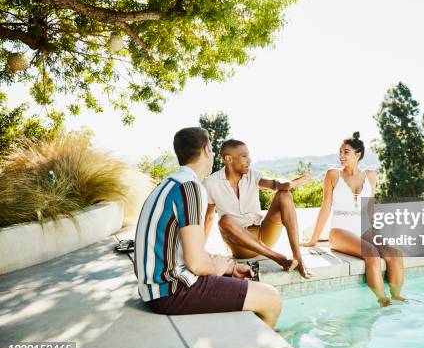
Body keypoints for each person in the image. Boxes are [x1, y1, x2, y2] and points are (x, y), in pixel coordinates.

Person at [134, 127, 282, 328]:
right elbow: (196, 264)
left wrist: (230, 266)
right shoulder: (191, 188)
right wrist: (216, 269)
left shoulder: (168, 185)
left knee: (244, 284)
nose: (213, 155)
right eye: (211, 150)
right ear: (205, 150)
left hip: (154, 289)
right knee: (271, 299)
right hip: (171, 291)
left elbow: (187, 251)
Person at [302, 132, 406, 306]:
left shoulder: (370, 175)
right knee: (371, 253)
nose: (341, 156)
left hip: (364, 229)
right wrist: (314, 240)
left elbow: (370, 209)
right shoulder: (332, 175)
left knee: (394, 253)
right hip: (340, 231)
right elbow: (325, 208)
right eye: (340, 152)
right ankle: (383, 300)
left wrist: (379, 235)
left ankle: (397, 296)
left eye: (346, 152)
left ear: (358, 155)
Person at [203, 139, 312, 278]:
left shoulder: (253, 175)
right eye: (244, 156)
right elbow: (209, 217)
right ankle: (279, 258)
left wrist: (289, 183)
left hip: (264, 234)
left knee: (284, 195)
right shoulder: (210, 183)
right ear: (228, 159)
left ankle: (299, 259)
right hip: (241, 245)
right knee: (224, 221)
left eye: (249, 155)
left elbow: (274, 184)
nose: (249, 160)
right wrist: (199, 251)